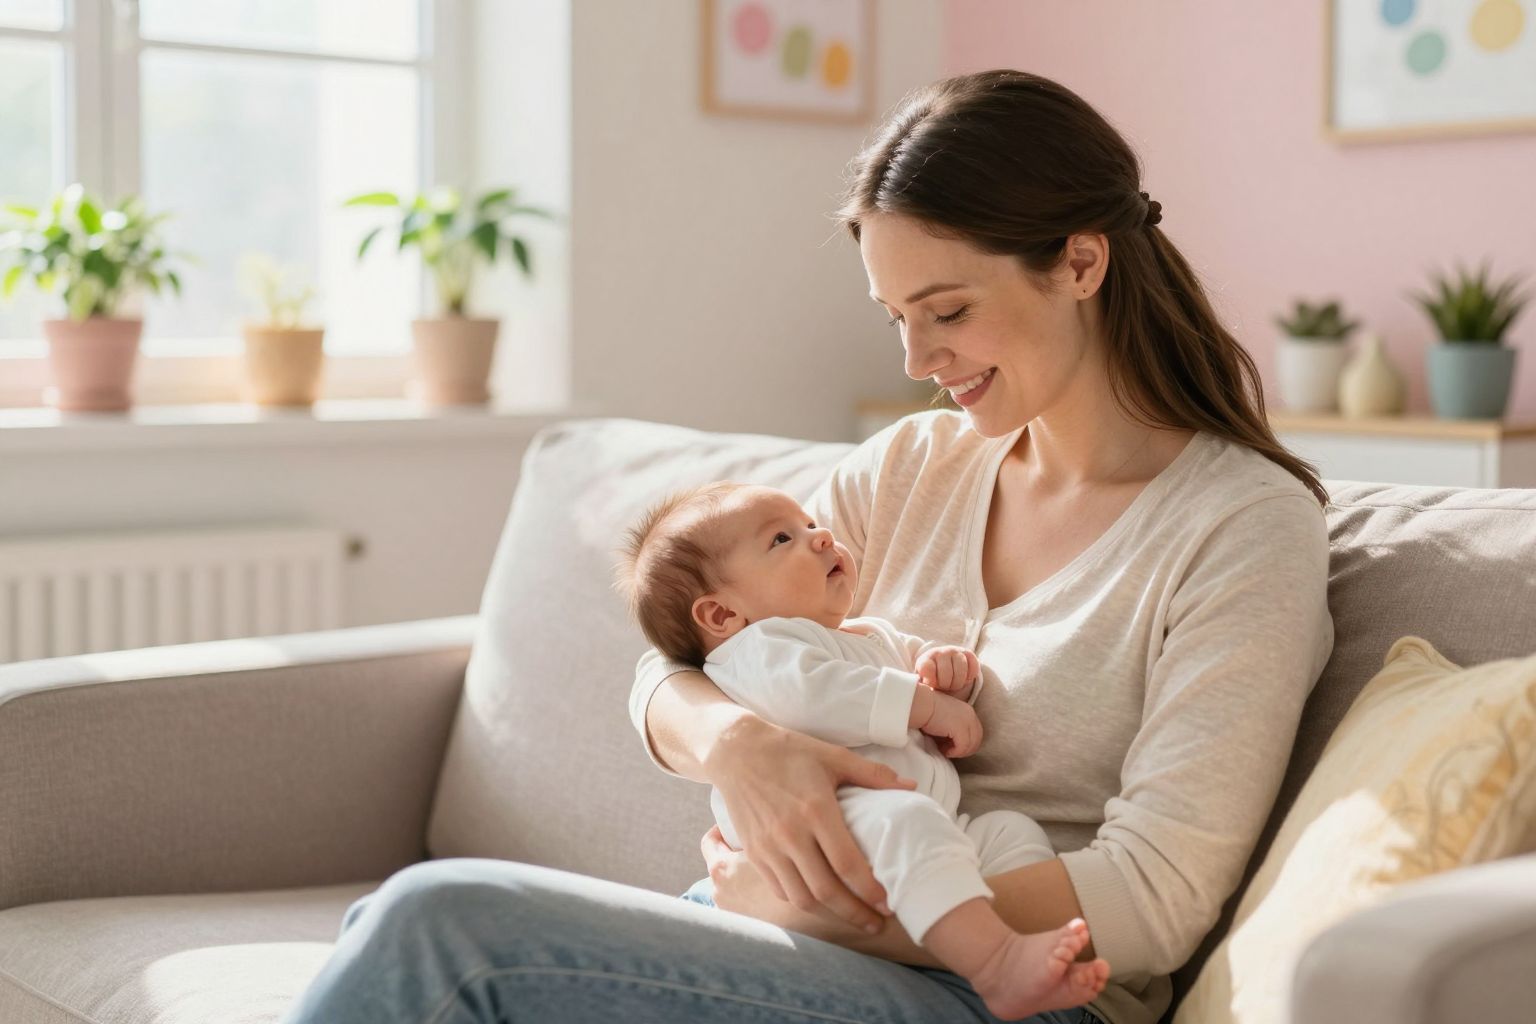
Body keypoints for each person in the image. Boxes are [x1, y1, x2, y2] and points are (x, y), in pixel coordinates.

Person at [281, 68, 1334, 1024]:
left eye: (948, 310)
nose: (922, 359)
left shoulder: (1240, 528)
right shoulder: (915, 466)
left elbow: (1159, 895)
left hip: (1016, 993)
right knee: (394, 938)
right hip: (794, 940)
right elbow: (677, 666)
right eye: (896, 321)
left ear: (1081, 262)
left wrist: (837, 899)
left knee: (443, 931)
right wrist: (743, 749)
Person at [613, 479, 1109, 1018]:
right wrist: (923, 707)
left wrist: (947, 674)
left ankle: (1008, 941)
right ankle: (996, 962)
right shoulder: (756, 650)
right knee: (906, 821)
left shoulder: (868, 636)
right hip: (836, 823)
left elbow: (915, 677)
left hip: (921, 826)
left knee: (1011, 834)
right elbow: (809, 695)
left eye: (808, 523)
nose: (821, 535)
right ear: (721, 616)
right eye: (782, 539)